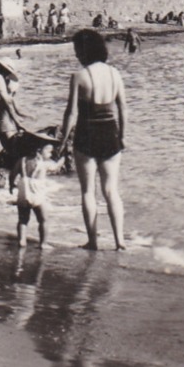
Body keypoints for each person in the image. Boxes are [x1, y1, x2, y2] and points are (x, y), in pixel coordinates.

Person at [59, 29, 126, 251]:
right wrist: (122, 136)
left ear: (85, 51)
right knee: (111, 190)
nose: (76, 55)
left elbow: (71, 114)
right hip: (110, 133)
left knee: (88, 191)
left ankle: (93, 242)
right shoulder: (115, 74)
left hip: (86, 135)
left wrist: (62, 141)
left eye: (77, 50)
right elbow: (123, 109)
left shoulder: (79, 77)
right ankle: (120, 241)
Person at [10, 134, 52, 248]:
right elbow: (56, 166)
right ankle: (43, 243)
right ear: (39, 151)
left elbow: (12, 174)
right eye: (49, 151)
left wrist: (11, 186)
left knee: (23, 219)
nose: (51, 154)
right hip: (37, 193)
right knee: (43, 220)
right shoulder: (43, 164)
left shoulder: (22, 160)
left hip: (23, 192)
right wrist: (63, 158)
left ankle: (21, 241)